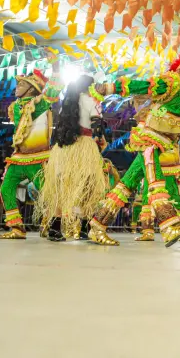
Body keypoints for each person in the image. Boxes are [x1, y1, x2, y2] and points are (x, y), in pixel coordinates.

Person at [89, 53, 180, 247]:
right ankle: (169, 227)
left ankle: (97, 225)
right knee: (155, 182)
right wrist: (110, 88)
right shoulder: (173, 83)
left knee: (126, 184)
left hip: (163, 142)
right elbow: (145, 86)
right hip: (150, 139)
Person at [36, 75, 112, 241]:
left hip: (63, 148)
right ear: (90, 87)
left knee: (60, 188)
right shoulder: (92, 101)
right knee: (88, 188)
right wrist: (101, 141)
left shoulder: (68, 102)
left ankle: (55, 229)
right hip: (85, 146)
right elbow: (97, 127)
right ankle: (84, 228)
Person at [0, 69, 61, 239]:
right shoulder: (16, 106)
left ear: (32, 89)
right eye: (18, 84)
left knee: (48, 194)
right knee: (6, 189)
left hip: (37, 158)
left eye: (22, 84)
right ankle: (17, 228)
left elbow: (53, 92)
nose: (17, 87)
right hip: (18, 158)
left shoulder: (38, 104)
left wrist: (56, 65)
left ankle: (54, 225)